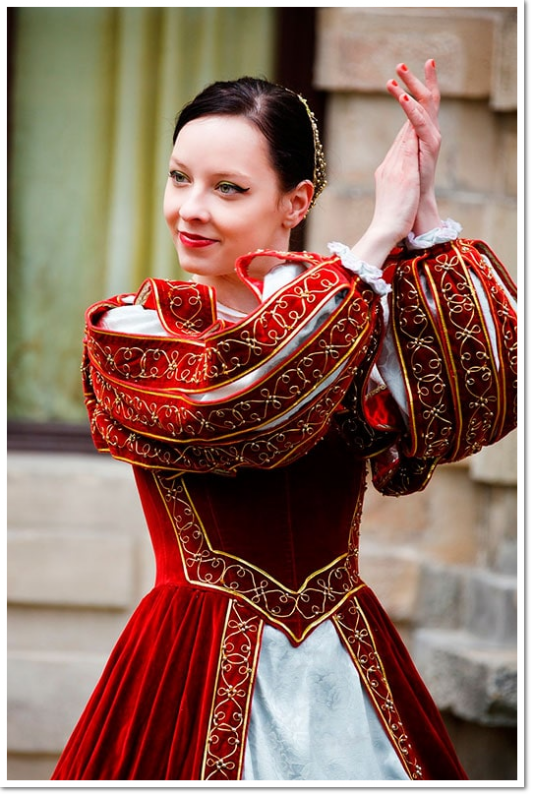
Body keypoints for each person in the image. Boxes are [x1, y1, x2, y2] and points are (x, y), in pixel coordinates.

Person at [51, 59, 517, 781]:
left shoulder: (351, 317)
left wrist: (420, 215)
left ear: (295, 203)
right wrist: (367, 251)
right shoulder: (136, 331)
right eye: (179, 178)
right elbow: (242, 402)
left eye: (227, 188)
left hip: (348, 659)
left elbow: (477, 404)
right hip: (192, 662)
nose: (190, 209)